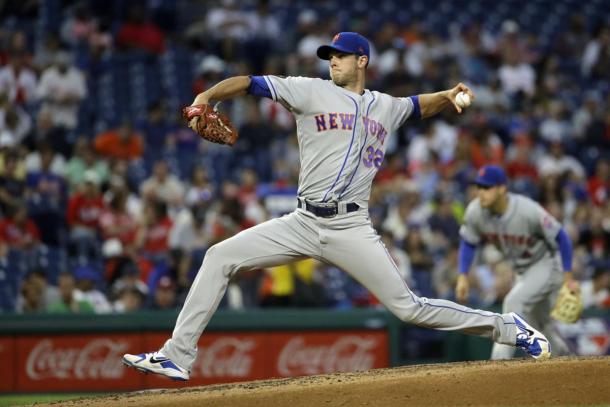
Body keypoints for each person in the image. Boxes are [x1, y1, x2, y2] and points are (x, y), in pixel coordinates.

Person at [124, 32, 550, 381]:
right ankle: (177, 355)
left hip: (351, 227)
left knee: (408, 308)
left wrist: (450, 95)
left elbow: (421, 105)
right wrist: (207, 96)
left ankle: (507, 327)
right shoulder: (308, 91)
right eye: (330, 56)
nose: (333, 62)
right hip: (303, 220)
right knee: (219, 256)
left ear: (361, 61)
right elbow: (249, 82)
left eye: (341, 56)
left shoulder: (386, 106)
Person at [455, 165, 574, 359]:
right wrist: (462, 275)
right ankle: (566, 358)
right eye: (479, 187)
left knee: (513, 302)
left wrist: (568, 275)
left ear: (502, 188)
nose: (480, 193)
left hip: (545, 264)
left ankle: (499, 364)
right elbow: (468, 243)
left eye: (487, 188)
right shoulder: (475, 211)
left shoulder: (527, 210)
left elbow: (562, 236)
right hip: (522, 272)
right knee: (539, 326)